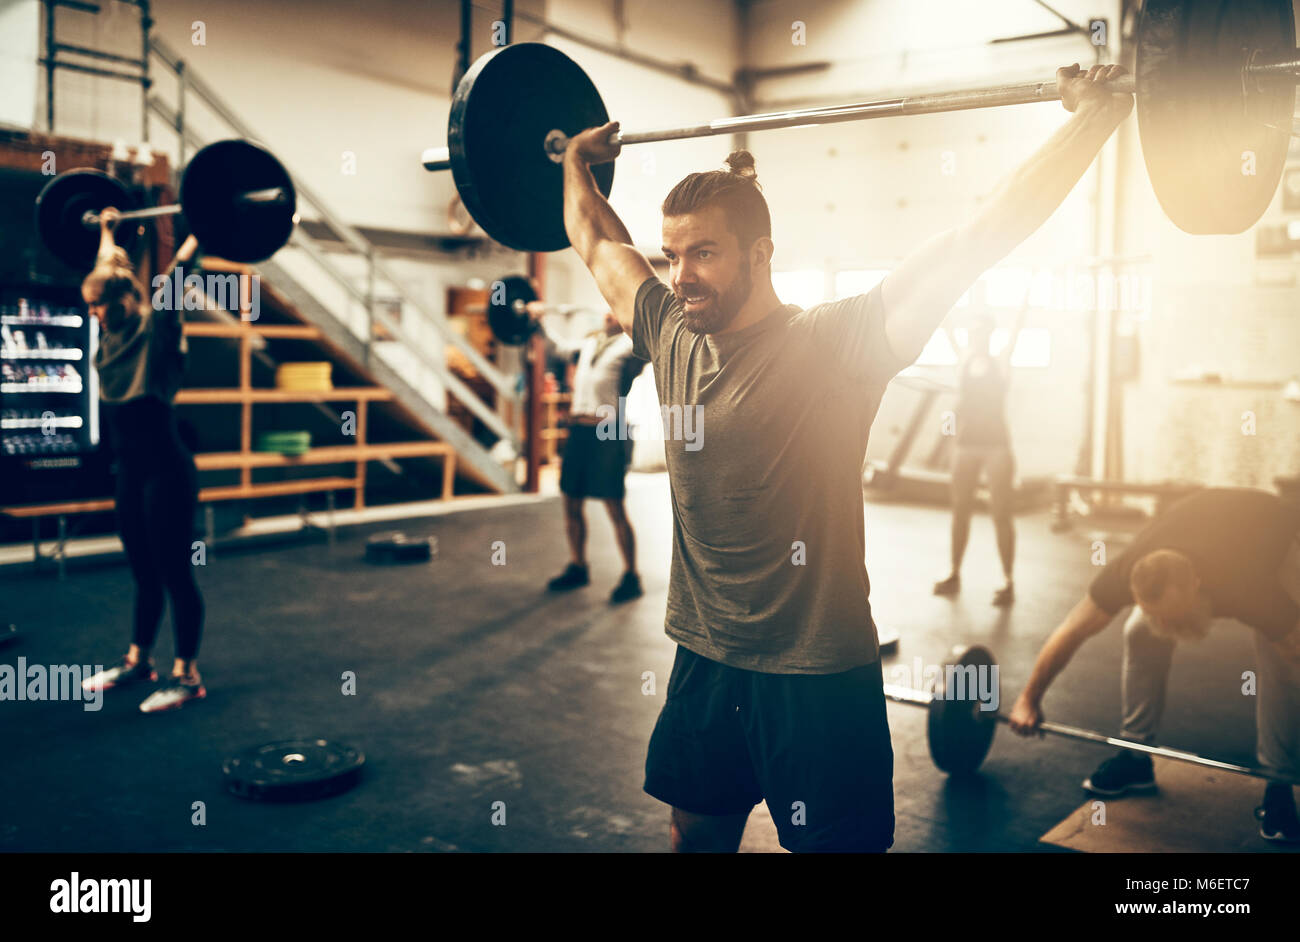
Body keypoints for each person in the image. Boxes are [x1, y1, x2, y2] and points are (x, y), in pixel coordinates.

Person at [561, 63, 1133, 852]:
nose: (682, 276)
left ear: (760, 254)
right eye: (672, 255)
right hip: (705, 658)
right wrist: (572, 163)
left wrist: (1094, 120)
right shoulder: (667, 329)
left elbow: (979, 239)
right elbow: (595, 239)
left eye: (704, 255)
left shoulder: (834, 343)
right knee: (693, 834)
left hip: (818, 675)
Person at [1008, 487, 1300, 843]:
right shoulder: (1126, 572)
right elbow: (1072, 629)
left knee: (1280, 659)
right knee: (1140, 632)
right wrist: (1028, 698)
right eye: (1156, 615)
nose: (1165, 627)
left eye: (1171, 617)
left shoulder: (1248, 585)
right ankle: (1136, 756)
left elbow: (1295, 650)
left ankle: (1280, 784)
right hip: (1201, 520)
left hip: (1279, 534)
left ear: (1196, 584)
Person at [78, 207, 207, 713]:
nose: (92, 315)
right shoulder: (110, 327)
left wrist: (202, 231)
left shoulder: (156, 331)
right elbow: (108, 269)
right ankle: (139, 662)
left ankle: (187, 676)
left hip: (167, 473)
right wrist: (108, 231)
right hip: (130, 472)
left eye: (98, 308)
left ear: (125, 302)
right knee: (142, 570)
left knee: (175, 571)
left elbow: (175, 279)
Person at [934, 295, 1029, 606]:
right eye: (973, 333)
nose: (977, 338)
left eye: (982, 333)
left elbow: (1016, 329)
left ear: (989, 335)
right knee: (959, 512)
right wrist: (940, 292)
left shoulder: (1000, 362)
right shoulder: (962, 361)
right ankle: (954, 573)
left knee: (1001, 513)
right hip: (965, 446)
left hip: (996, 447)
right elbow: (946, 327)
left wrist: (1026, 298)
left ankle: (1007, 580)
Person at [545, 311, 645, 603]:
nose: (608, 313)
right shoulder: (590, 343)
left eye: (617, 309)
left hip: (608, 432)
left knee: (614, 505)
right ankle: (578, 566)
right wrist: (536, 320)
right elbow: (560, 348)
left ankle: (631, 575)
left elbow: (654, 346)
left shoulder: (631, 348)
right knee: (570, 500)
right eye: (608, 308)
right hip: (579, 430)